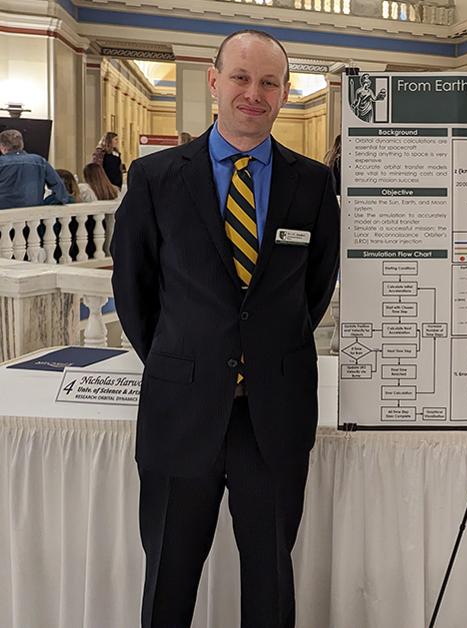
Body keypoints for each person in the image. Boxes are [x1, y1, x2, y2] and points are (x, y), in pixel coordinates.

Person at [111, 29, 340, 628]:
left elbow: (314, 286)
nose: (253, 93)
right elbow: (133, 290)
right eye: (240, 78)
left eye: (268, 82)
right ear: (214, 82)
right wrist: (189, 357)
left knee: (270, 581)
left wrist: (258, 351)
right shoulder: (156, 177)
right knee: (169, 578)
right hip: (180, 410)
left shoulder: (312, 185)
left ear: (284, 93)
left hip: (275, 413)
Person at [0, 129, 69, 209]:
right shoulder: (40, 161)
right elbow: (61, 192)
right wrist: (47, 203)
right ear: (22, 144)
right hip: (33, 216)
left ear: (2, 147)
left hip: (4, 216)